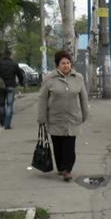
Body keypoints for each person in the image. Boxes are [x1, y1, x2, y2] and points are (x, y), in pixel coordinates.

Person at [38, 50, 89, 182]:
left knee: (69, 147)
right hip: (55, 119)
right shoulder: (49, 79)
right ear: (57, 65)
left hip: (73, 118)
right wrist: (41, 117)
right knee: (58, 146)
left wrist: (85, 114)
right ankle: (61, 167)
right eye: (63, 63)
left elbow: (83, 98)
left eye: (68, 63)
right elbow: (42, 99)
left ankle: (68, 170)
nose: (66, 65)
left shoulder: (78, 78)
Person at [0, 49, 24, 129]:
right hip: (11, 86)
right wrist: (21, 82)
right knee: (9, 105)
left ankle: (2, 121)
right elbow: (19, 74)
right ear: (10, 55)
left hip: (0, 86)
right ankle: (7, 124)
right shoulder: (14, 64)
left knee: (1, 105)